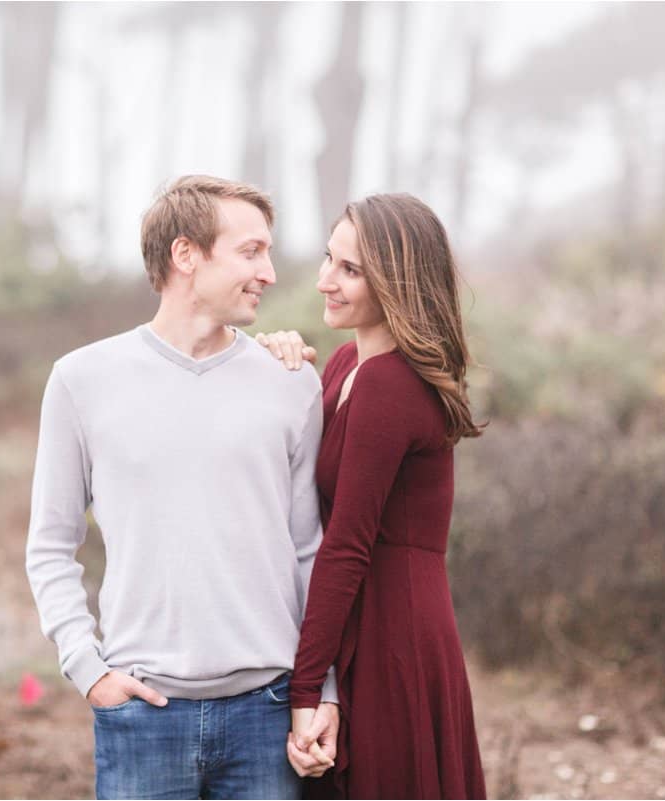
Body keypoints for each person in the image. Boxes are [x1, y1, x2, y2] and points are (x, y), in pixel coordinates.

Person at [25, 175, 340, 799]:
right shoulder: (81, 380)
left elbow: (311, 550)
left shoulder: (290, 381)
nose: (270, 273)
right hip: (142, 715)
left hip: (269, 714)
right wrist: (89, 671)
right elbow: (50, 546)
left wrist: (320, 691)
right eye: (250, 251)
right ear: (186, 254)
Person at [257, 193, 487, 798]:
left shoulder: (391, 382)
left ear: (396, 281)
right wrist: (265, 363)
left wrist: (307, 692)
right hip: (356, 612)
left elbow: (348, 543)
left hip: (394, 629)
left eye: (349, 270)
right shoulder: (340, 365)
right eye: (329, 259)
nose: (324, 281)